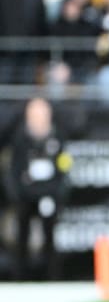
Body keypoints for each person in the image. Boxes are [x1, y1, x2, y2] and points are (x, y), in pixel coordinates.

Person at [4, 98, 70, 280]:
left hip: (49, 196)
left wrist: (56, 193)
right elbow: (14, 170)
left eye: (43, 114)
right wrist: (18, 194)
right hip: (25, 196)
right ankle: (20, 278)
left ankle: (52, 278)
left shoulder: (57, 137)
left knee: (50, 238)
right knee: (21, 238)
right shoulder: (20, 138)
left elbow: (64, 168)